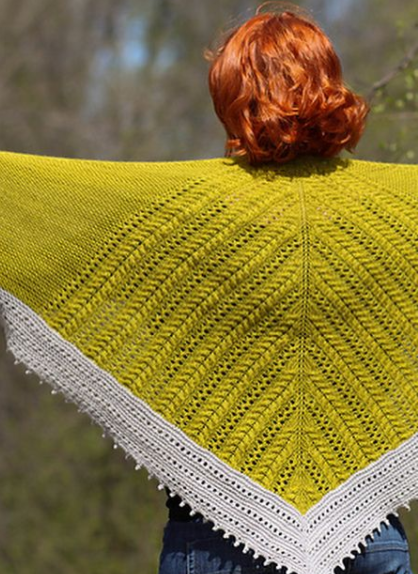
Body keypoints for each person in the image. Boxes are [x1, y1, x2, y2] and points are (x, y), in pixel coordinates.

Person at [158, 4, 414, 574]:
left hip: (218, 534)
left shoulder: (183, 211)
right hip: (364, 533)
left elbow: (47, 207)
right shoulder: (398, 209)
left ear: (232, 98)